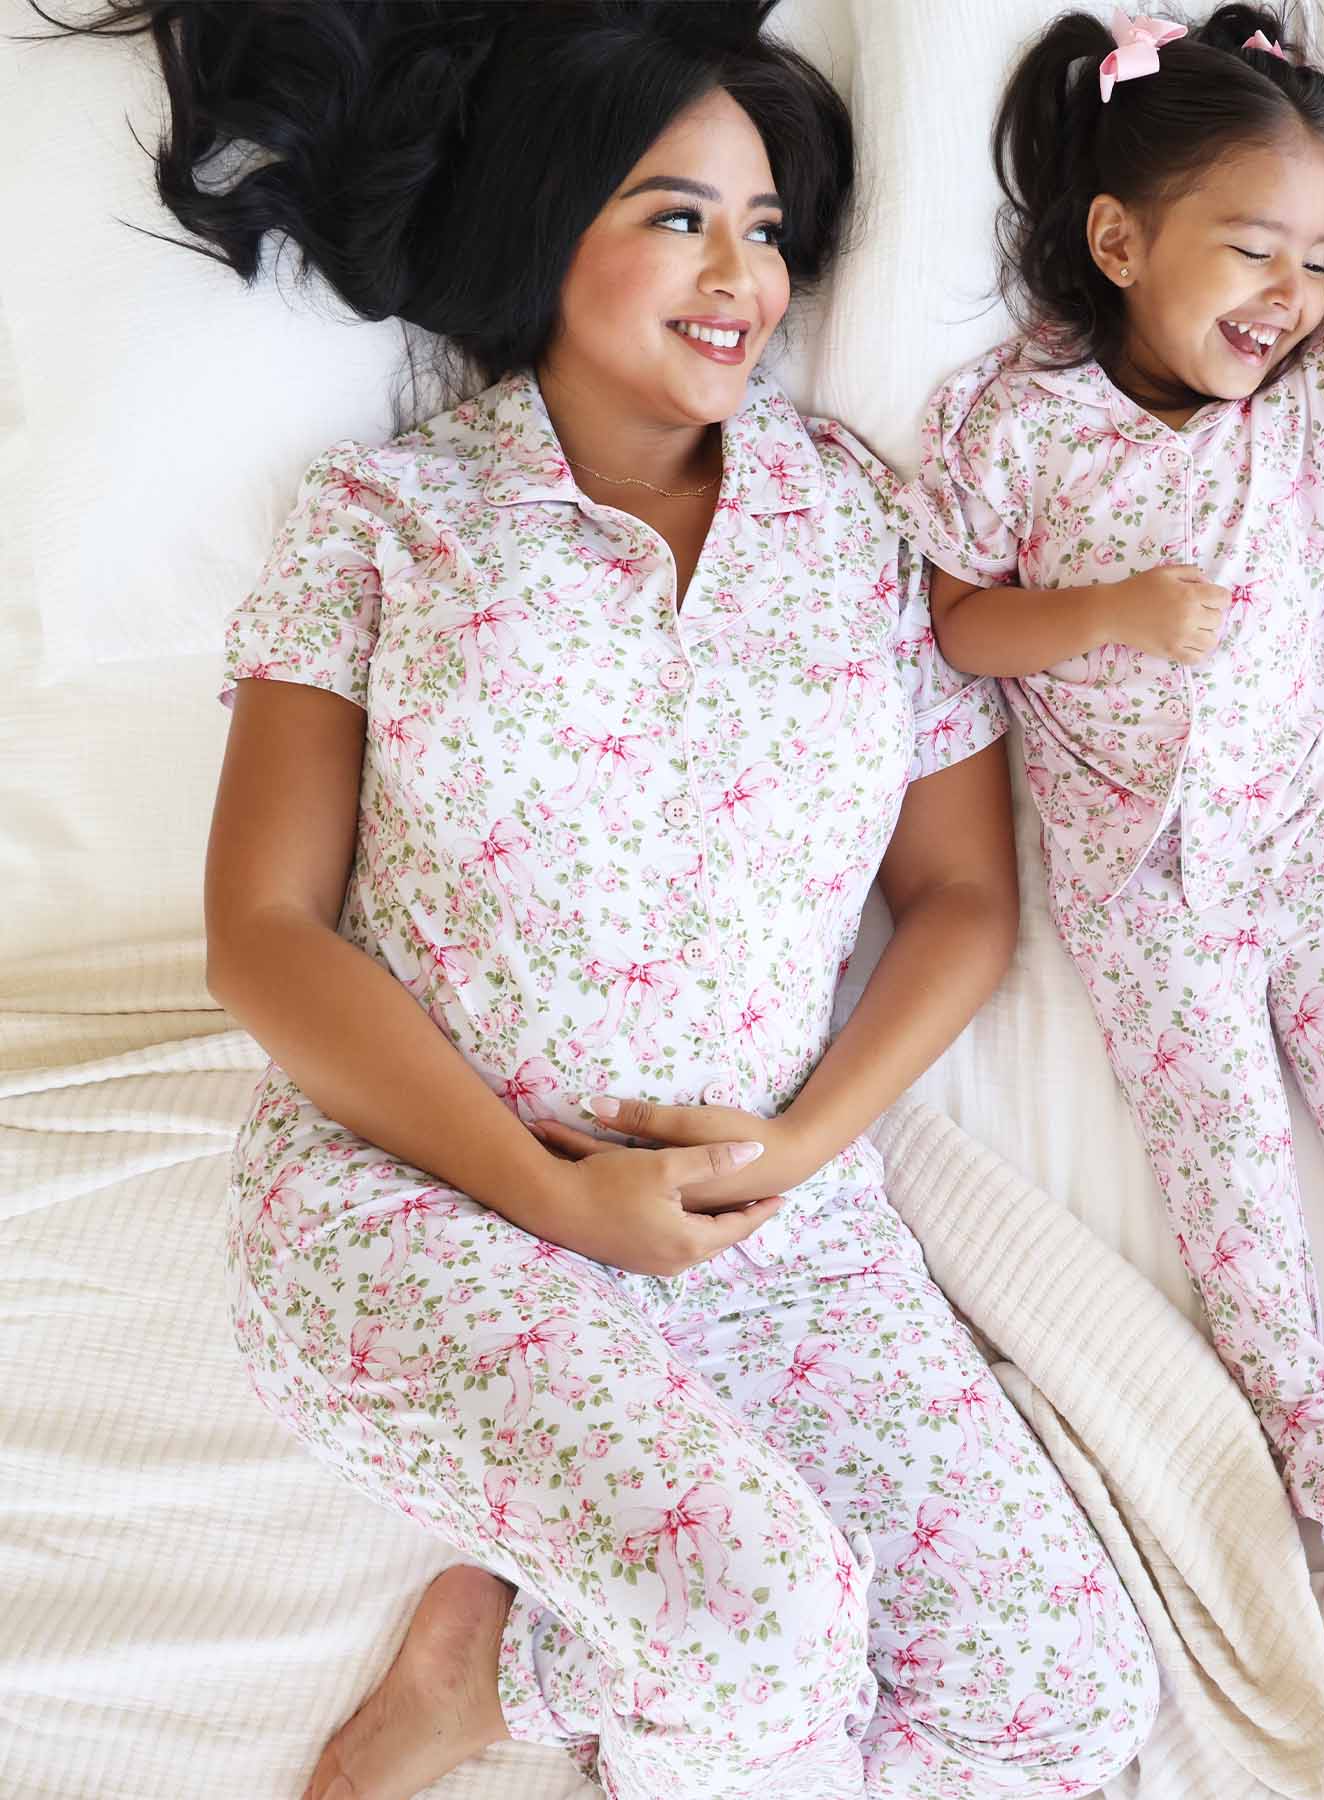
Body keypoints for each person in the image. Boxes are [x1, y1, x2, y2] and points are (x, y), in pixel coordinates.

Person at [55, 3, 1160, 1794]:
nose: (745, 274)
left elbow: (961, 899)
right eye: (679, 216)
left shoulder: (862, 523)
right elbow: (259, 937)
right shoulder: (386, 522)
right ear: (549, 222)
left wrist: (797, 1155)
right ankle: (600, 1668)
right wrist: (556, 1199)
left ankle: (529, 1682)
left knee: (1061, 1702)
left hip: (771, 1231)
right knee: (764, 1625)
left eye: (770, 228)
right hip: (426, 1207)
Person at [906, 3, 1324, 1559]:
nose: (1289, 296)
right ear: (1121, 241)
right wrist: (1104, 617)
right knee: (1221, 1158)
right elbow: (956, 622)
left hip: (1305, 832)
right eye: (1249, 253)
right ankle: (1310, 1424)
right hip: (1138, 876)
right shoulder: (1017, 422)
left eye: (1311, 257)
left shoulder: (1309, 402)